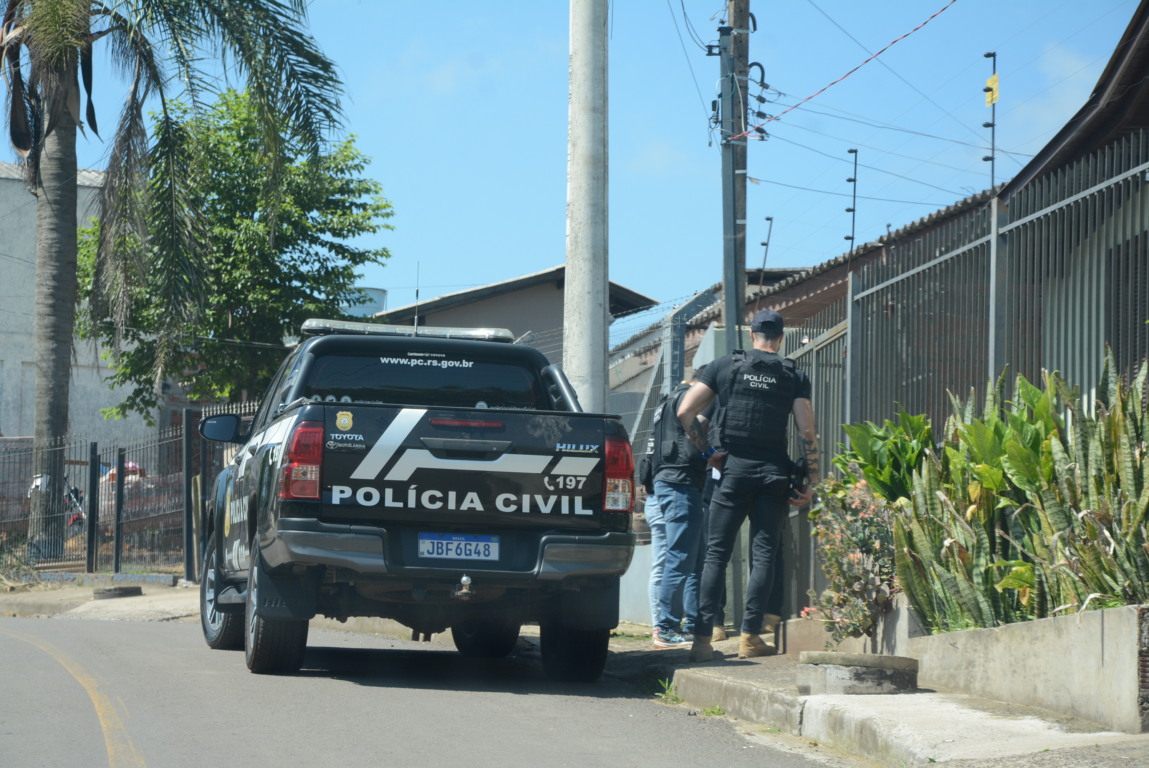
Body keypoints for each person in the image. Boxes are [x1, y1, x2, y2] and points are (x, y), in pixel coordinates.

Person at [677, 308, 819, 662]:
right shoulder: (793, 374)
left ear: (752, 335)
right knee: (763, 555)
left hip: (732, 471)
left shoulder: (725, 366)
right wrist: (812, 478)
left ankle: (702, 640)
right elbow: (806, 431)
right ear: (781, 338)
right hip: (773, 474)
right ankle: (750, 637)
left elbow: (685, 412)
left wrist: (708, 451)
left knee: (716, 555)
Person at [649, 370, 711, 649]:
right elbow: (695, 426)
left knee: (688, 559)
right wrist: (710, 453)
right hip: (680, 483)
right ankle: (666, 628)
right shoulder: (687, 399)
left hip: (670, 482)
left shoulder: (666, 401)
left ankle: (681, 625)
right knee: (680, 558)